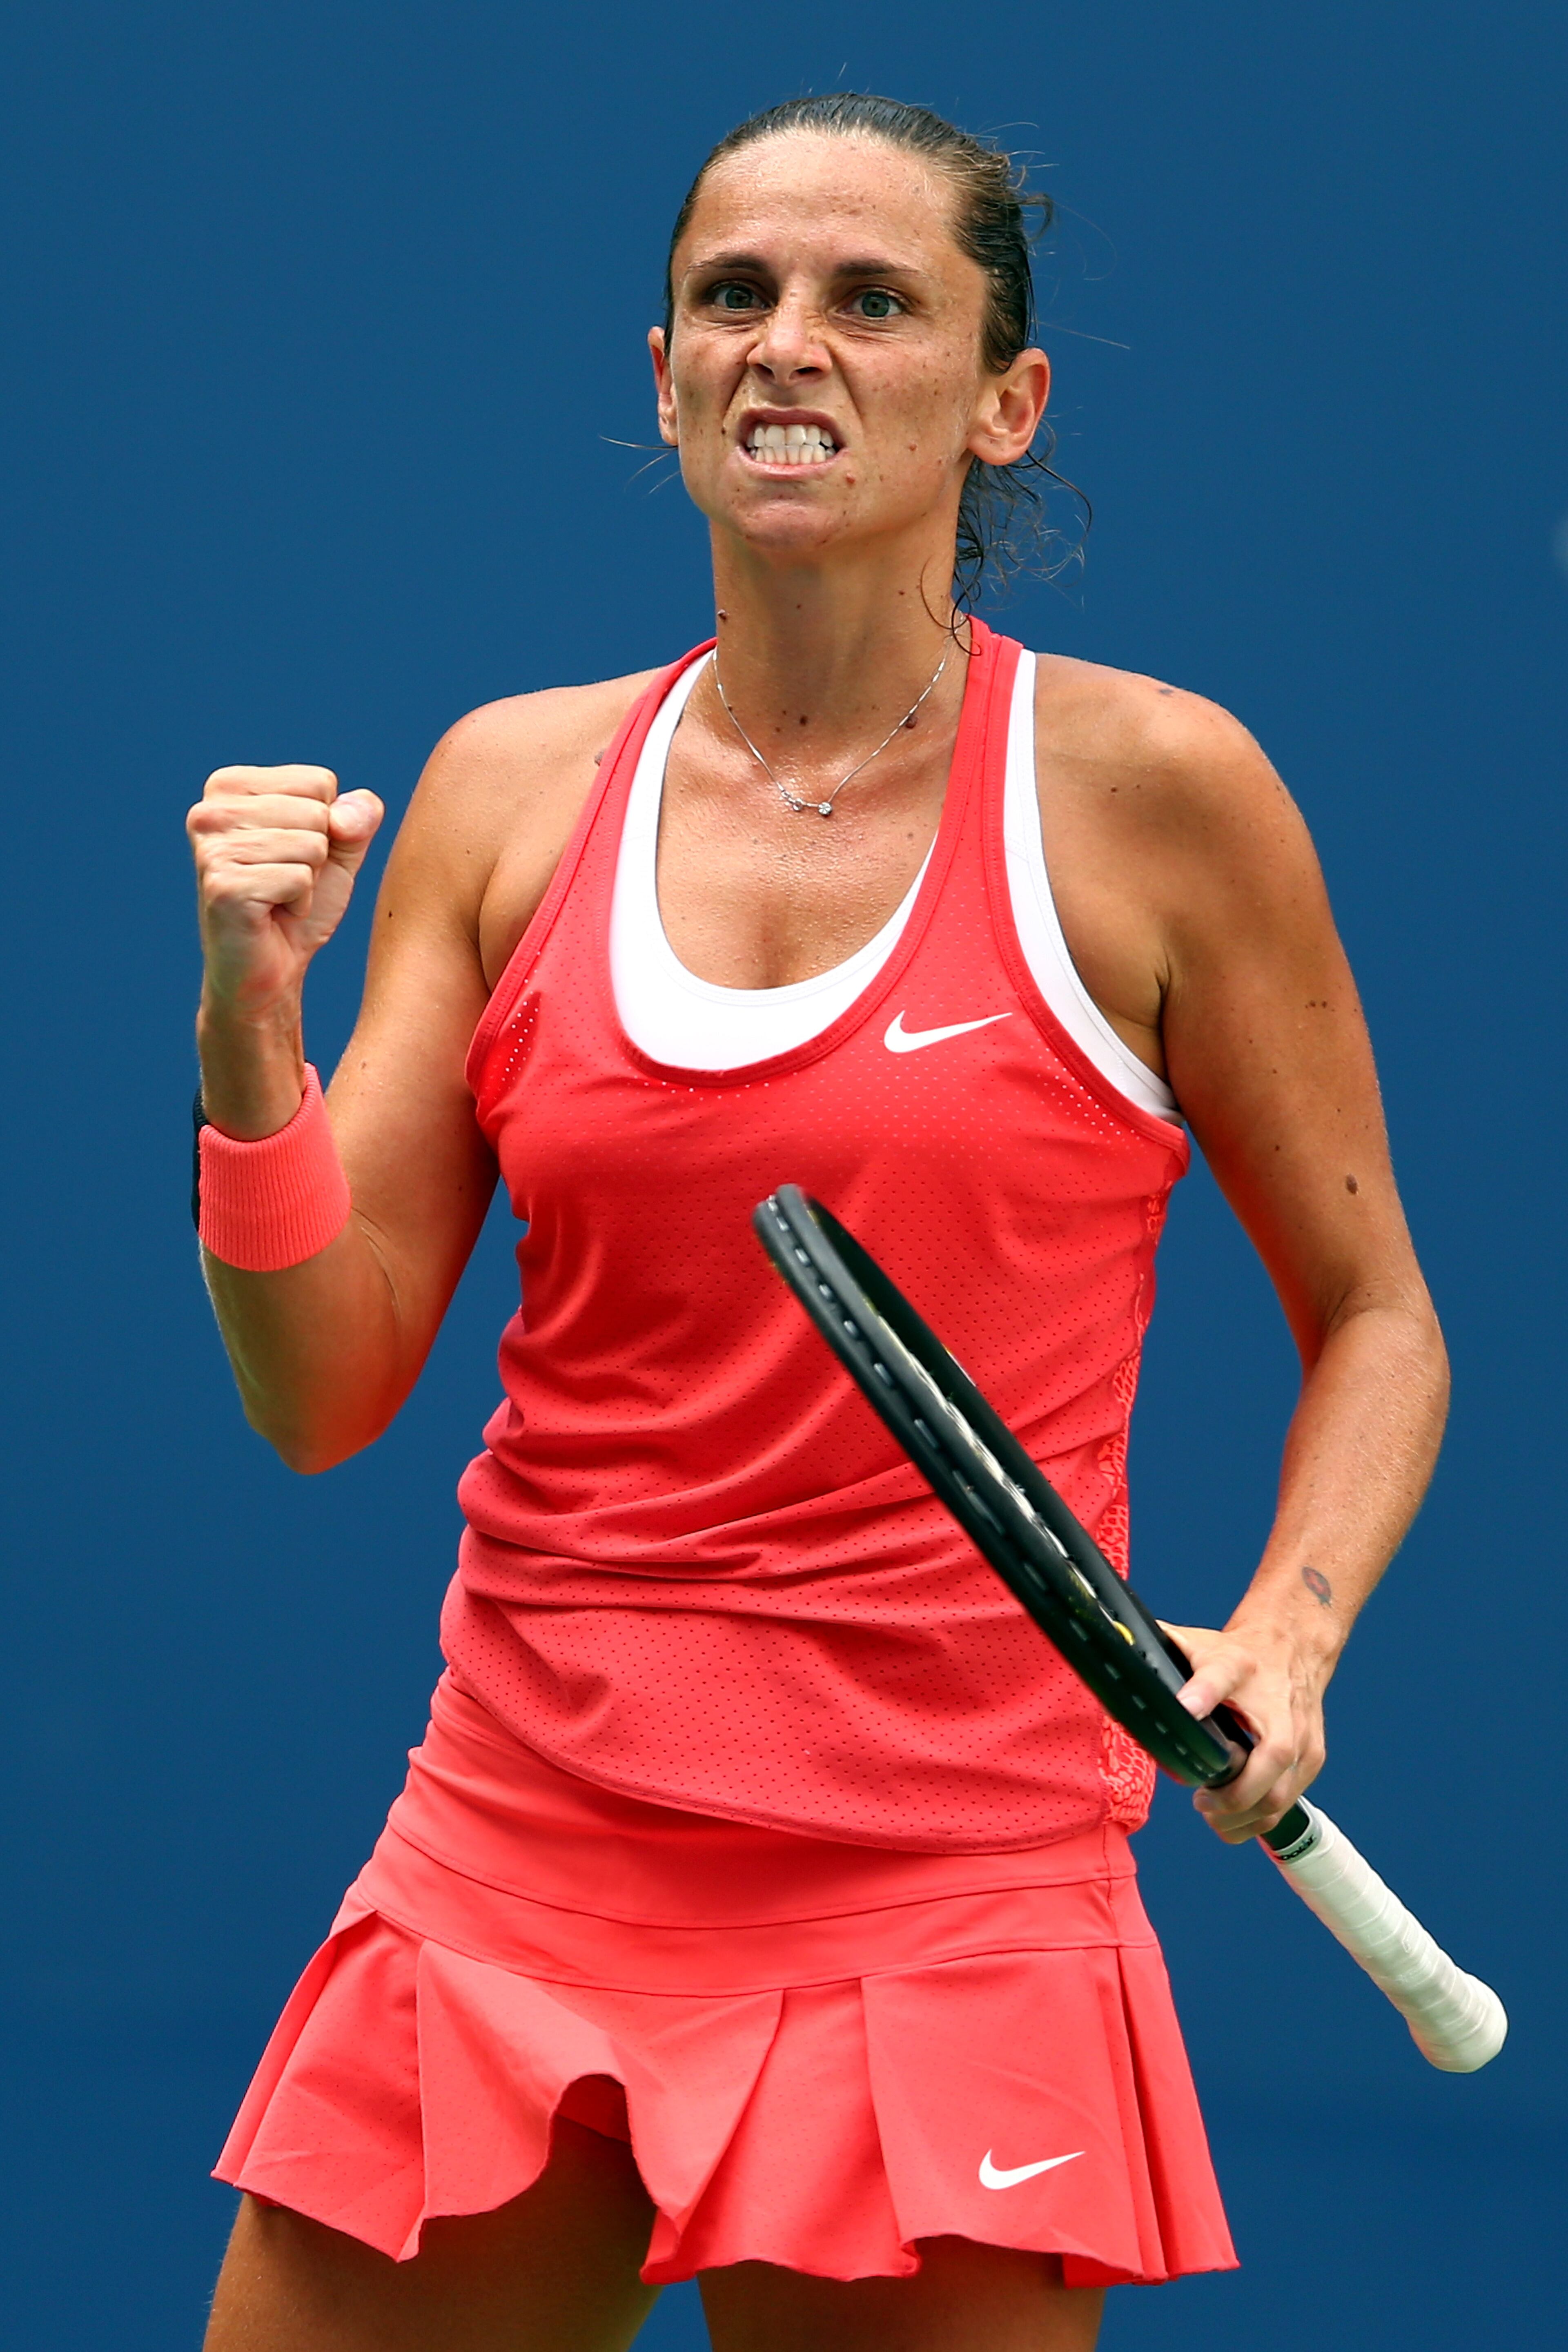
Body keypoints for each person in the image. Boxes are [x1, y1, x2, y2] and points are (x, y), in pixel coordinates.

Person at [187, 93, 1447, 2352]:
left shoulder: (1161, 798)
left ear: (1002, 398)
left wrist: (1289, 1633)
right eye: (735, 296)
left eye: (876, 300)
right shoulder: (505, 786)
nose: (793, 344)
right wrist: (247, 1044)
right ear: (662, 371)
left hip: (951, 1902)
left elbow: (1377, 1317)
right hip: (513, 1848)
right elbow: (319, 1381)